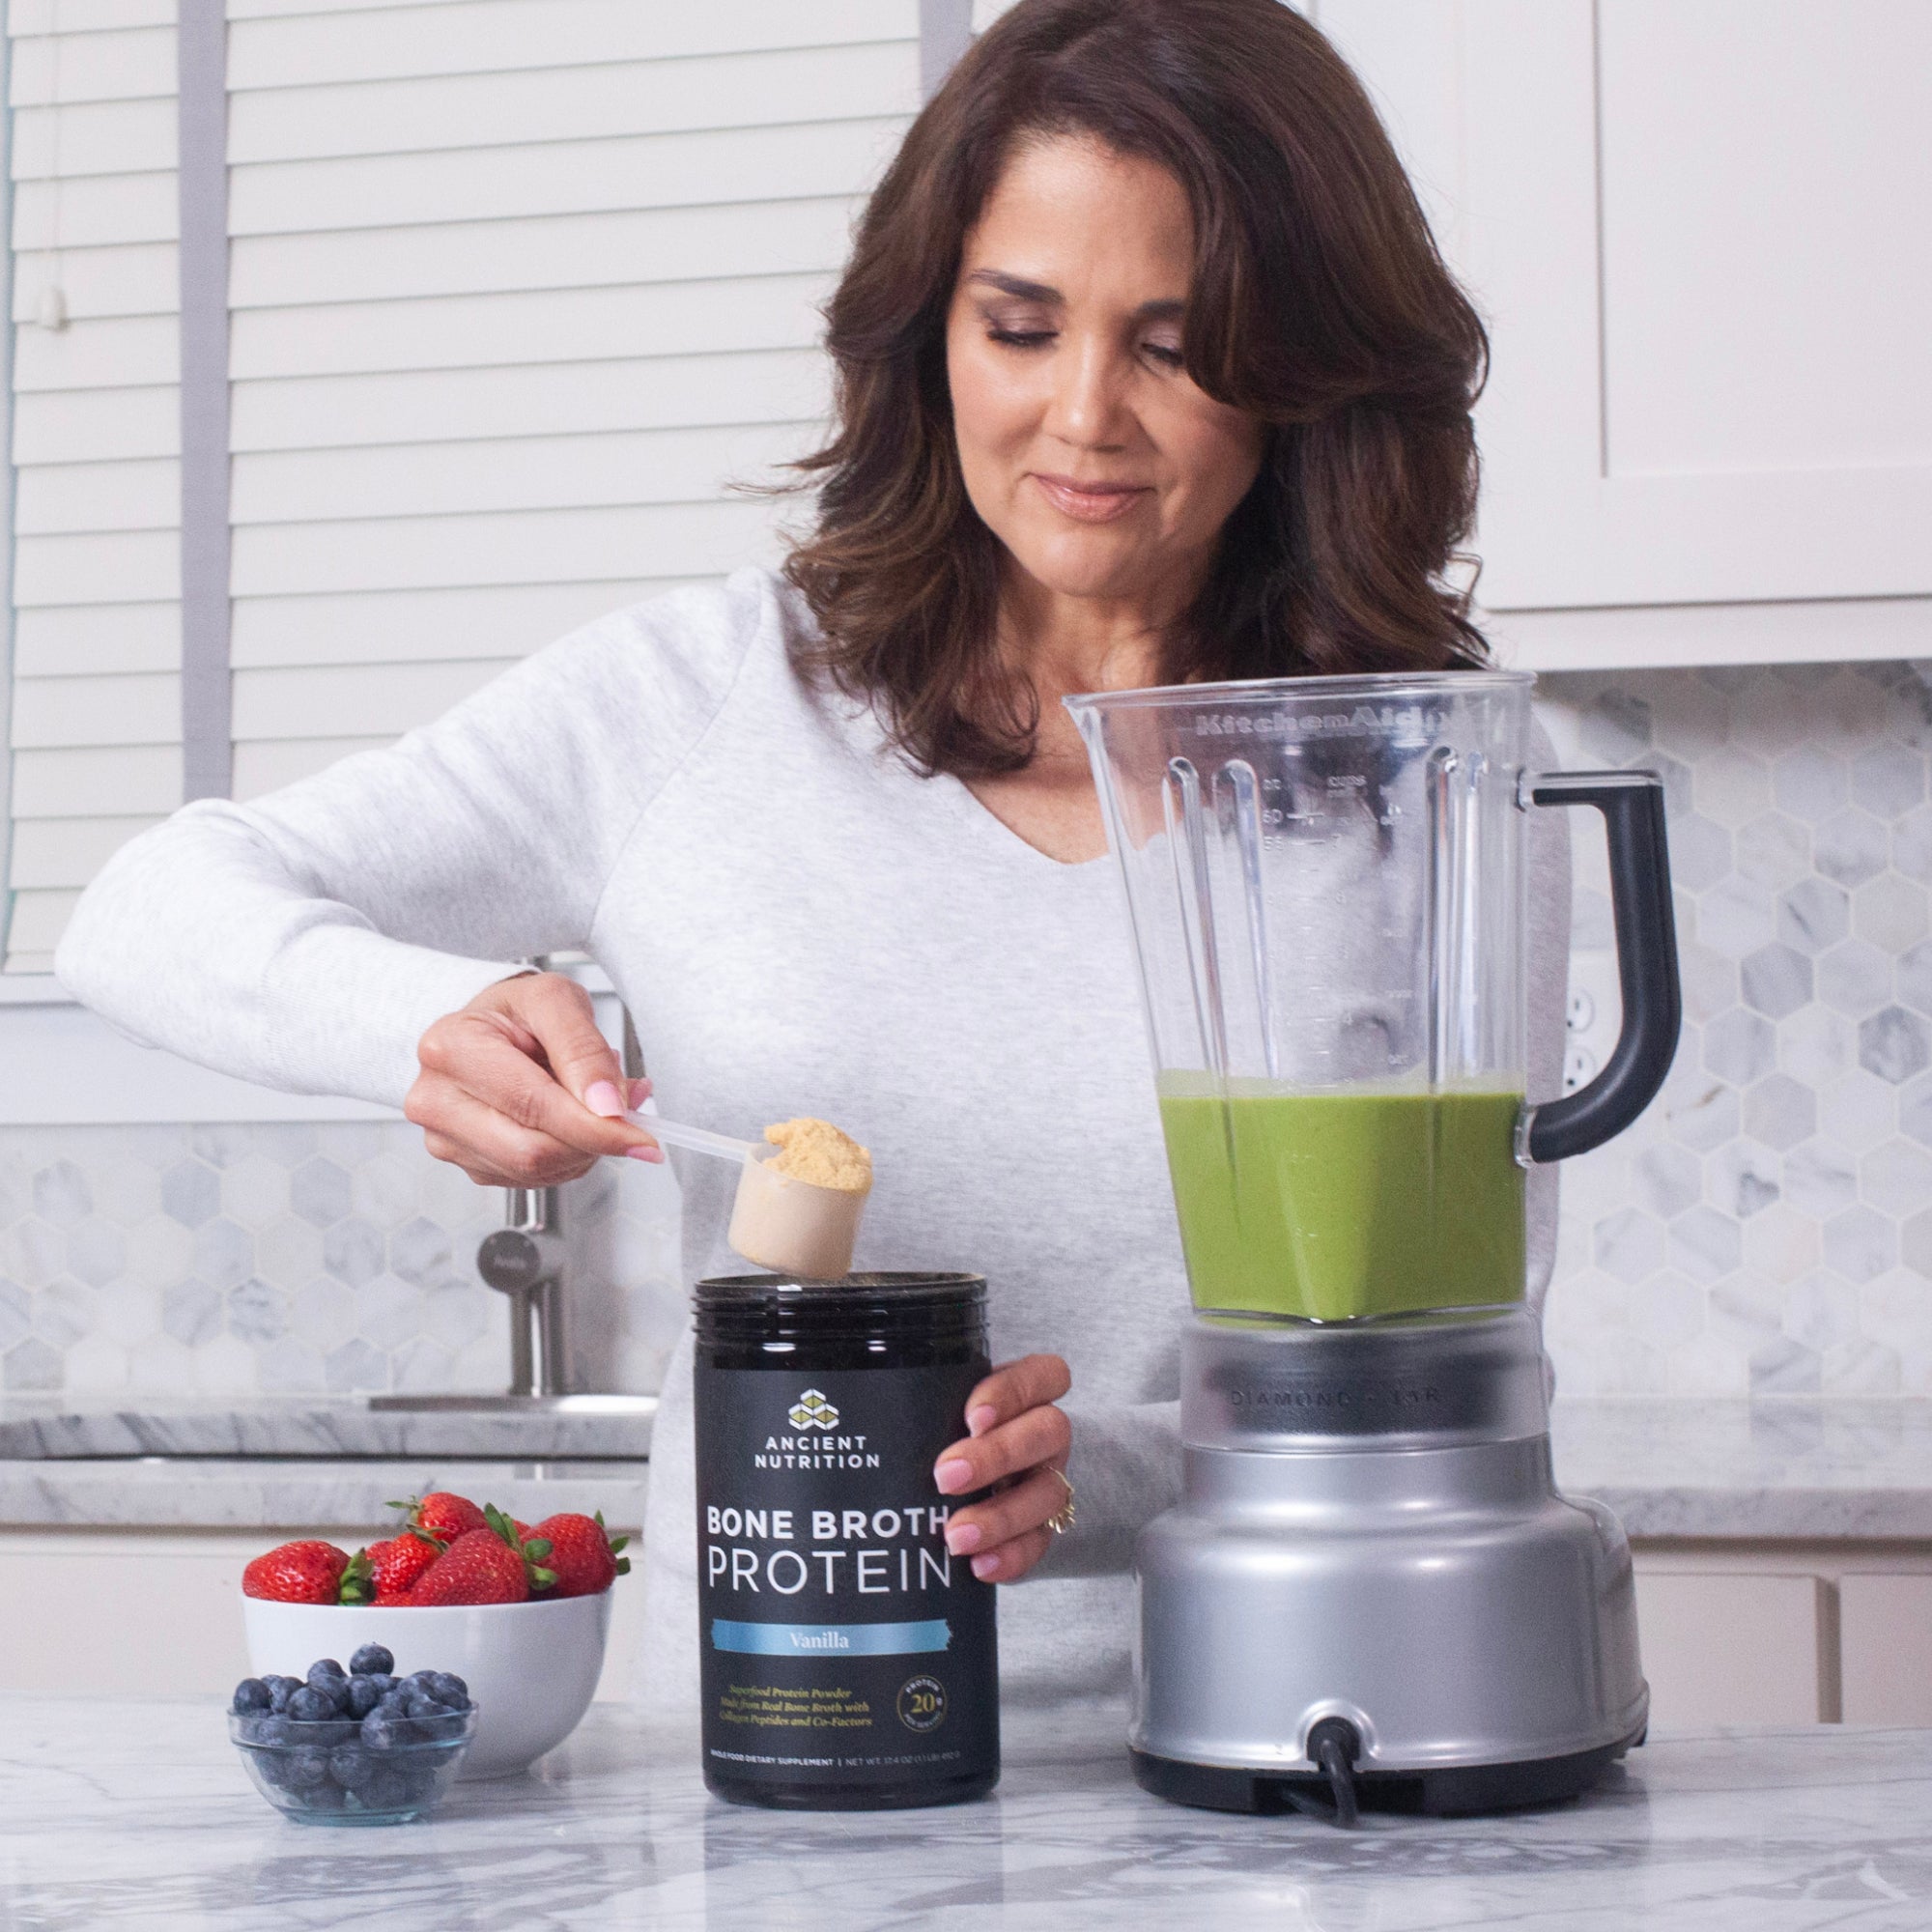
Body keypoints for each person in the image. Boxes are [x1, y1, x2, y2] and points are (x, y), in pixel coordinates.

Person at [56, 0, 1569, 1715]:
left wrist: (1111, 1471)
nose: (1084, 416)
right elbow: (150, 908)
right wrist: (436, 1014)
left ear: (1306, 370)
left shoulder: (1417, 786)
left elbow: (1448, 1374)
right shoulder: (709, 697)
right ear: (929, 334)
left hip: (1280, 1738)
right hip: (771, 1774)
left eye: (1174, 342)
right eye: (1020, 325)